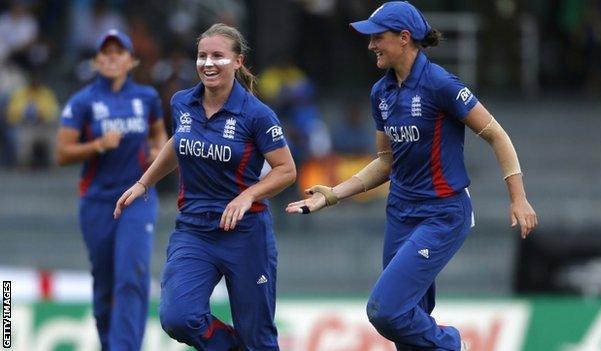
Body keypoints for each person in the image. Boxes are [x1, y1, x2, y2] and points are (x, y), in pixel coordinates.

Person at [286, 2, 538, 351]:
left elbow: (497, 135)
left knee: (385, 310)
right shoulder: (381, 93)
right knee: (407, 326)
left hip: (442, 214)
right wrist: (333, 194)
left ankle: (453, 345)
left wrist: (518, 197)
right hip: (401, 214)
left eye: (378, 37)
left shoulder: (440, 84)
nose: (371, 45)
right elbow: (385, 162)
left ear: (404, 38)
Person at [114, 23, 296, 350]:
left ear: (238, 62)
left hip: (245, 233)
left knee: (259, 337)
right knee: (177, 317)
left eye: (217, 56)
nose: (208, 63)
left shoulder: (257, 114)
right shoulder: (183, 102)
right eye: (201, 56)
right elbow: (178, 143)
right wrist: (144, 182)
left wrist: (247, 195)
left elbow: (286, 170)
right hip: (194, 231)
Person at [56, 29, 167, 350]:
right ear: (96, 61)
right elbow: (62, 153)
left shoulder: (146, 98)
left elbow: (161, 138)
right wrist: (98, 145)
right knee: (105, 286)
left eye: (119, 52)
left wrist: (156, 151)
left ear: (131, 60)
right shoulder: (83, 101)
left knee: (132, 276)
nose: (112, 58)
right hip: (98, 201)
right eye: (105, 53)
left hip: (137, 198)